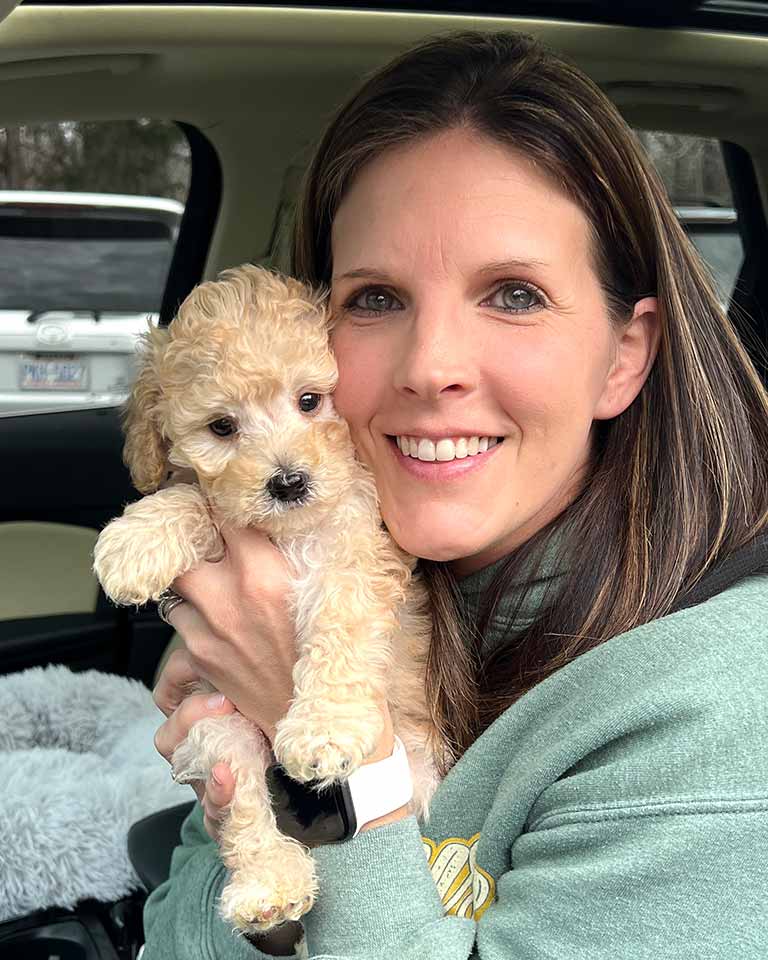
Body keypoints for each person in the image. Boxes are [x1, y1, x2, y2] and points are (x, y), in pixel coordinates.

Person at [141, 31, 768, 959]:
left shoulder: (721, 710)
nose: (431, 367)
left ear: (623, 358)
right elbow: (173, 933)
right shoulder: (327, 582)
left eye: (513, 295)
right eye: (375, 299)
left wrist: (341, 768)